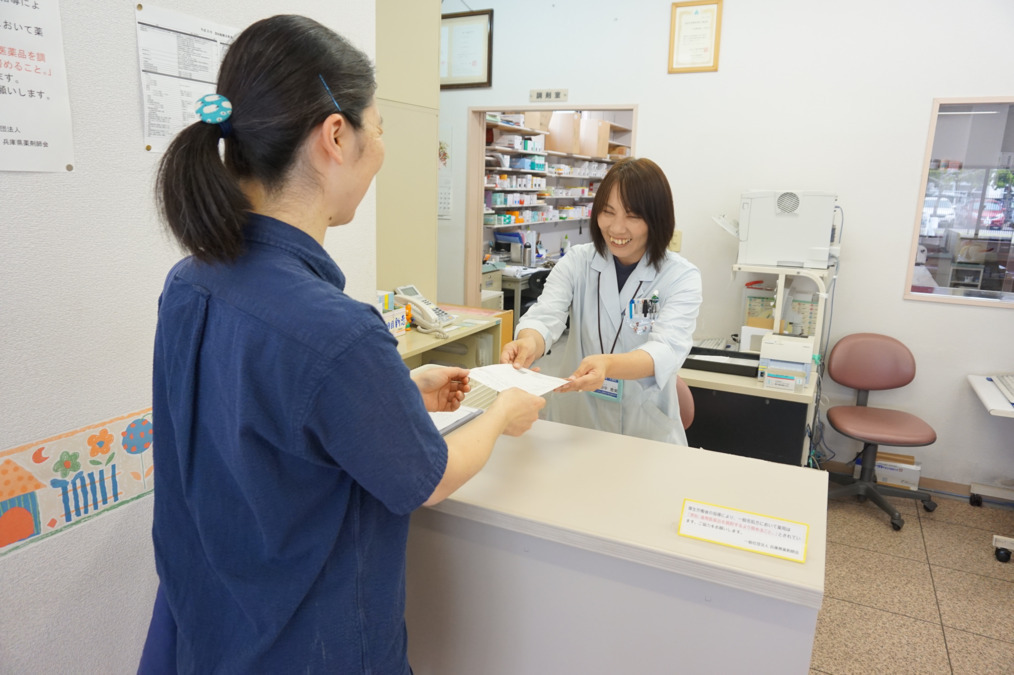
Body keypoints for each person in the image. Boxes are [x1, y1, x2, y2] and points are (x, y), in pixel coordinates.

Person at [139, 15, 545, 674]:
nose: (381, 147)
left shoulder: (189, 284)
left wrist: (394, 392)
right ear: (336, 135)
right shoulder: (336, 329)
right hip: (311, 650)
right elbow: (429, 479)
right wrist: (501, 414)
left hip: (208, 635)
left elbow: (258, 425)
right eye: (378, 127)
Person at [500, 157, 702, 446]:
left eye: (633, 216)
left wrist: (608, 365)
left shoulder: (680, 276)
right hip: (576, 423)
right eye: (608, 212)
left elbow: (666, 349)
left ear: (657, 218)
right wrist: (528, 342)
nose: (617, 229)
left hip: (644, 432)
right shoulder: (578, 261)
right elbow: (545, 315)